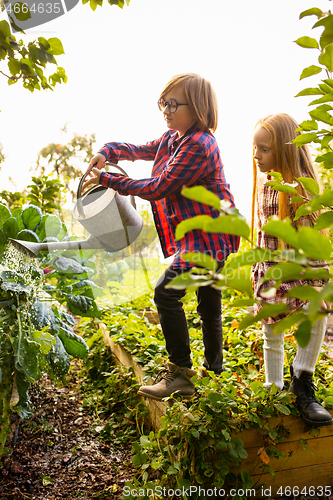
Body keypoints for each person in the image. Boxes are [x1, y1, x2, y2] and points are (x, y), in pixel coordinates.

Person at [83, 73, 239, 401]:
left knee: (167, 294)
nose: (166, 110)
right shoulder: (172, 138)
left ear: (197, 108)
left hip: (209, 238)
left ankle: (181, 374)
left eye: (173, 104)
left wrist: (109, 180)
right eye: (163, 103)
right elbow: (139, 149)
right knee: (209, 303)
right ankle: (214, 374)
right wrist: (107, 150)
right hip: (195, 236)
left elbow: (159, 187)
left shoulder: (199, 144)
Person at [252, 113, 332, 427]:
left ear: (286, 149)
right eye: (255, 148)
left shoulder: (300, 189)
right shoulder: (264, 183)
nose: (257, 155)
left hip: (300, 271)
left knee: (315, 316)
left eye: (265, 149)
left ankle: (302, 382)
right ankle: (273, 390)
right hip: (271, 271)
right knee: (272, 332)